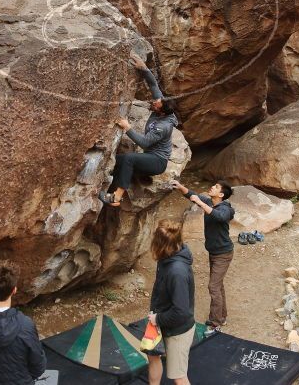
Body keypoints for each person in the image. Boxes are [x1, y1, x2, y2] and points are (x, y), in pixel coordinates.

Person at [99, 53, 178, 207]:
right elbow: (153, 85)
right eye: (156, 101)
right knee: (117, 161)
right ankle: (109, 190)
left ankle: (116, 198)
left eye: (156, 104)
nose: (154, 102)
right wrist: (144, 68)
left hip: (157, 162)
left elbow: (145, 143)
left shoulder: (164, 126)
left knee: (129, 158)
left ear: (161, 112)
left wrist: (127, 127)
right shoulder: (161, 105)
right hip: (149, 156)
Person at [172, 180, 235, 332]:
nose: (212, 186)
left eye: (216, 187)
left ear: (221, 194)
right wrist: (181, 187)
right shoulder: (210, 202)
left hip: (223, 254)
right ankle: (222, 317)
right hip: (214, 252)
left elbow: (219, 217)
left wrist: (200, 202)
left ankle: (215, 323)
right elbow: (193, 195)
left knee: (213, 286)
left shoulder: (226, 209)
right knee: (218, 285)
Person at [147, 219, 195, 385]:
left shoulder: (177, 272)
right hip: (161, 320)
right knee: (153, 355)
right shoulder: (167, 257)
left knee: (178, 376)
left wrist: (157, 319)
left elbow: (181, 312)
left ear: (161, 244)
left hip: (177, 330)